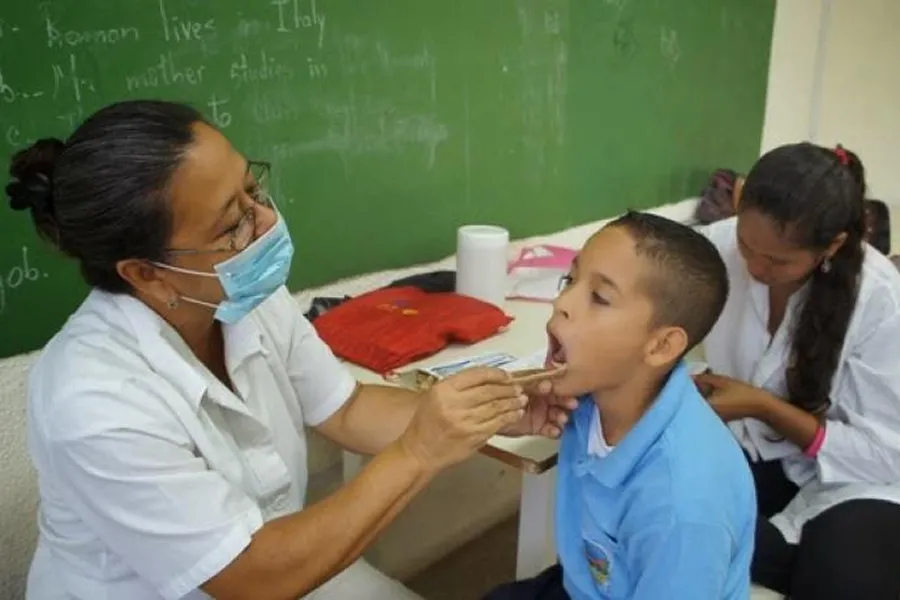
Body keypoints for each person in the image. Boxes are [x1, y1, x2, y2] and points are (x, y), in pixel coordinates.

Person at [5, 100, 574, 600]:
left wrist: (489, 408)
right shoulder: (93, 402)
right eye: (233, 224)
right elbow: (251, 579)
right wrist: (420, 451)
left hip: (286, 560)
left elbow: (346, 409)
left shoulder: (241, 299)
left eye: (252, 188)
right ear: (148, 275)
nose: (268, 222)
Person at [486, 211, 756, 600]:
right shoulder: (595, 393)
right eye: (570, 279)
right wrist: (503, 412)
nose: (562, 302)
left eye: (599, 297)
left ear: (661, 345)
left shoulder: (682, 506)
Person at [695, 142, 900, 599]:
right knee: (670, 517)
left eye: (779, 261)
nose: (754, 265)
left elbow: (884, 453)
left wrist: (764, 406)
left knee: (845, 576)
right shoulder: (720, 244)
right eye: (747, 245)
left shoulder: (882, 303)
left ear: (833, 245)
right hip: (762, 454)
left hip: (864, 478)